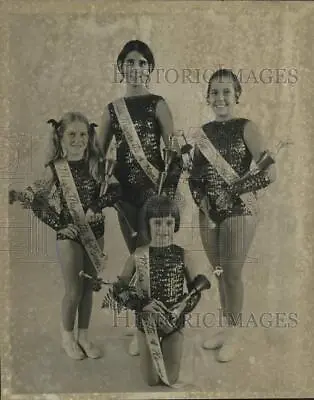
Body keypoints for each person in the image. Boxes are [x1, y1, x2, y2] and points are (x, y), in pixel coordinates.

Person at [10, 112, 121, 360]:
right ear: (60, 137)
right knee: (74, 291)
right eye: (71, 134)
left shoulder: (98, 164)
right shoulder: (55, 169)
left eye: (83, 134)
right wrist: (58, 225)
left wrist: (96, 206)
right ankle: (67, 337)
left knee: (88, 288)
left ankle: (84, 335)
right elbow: (34, 200)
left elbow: (116, 190)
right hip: (69, 236)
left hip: (96, 233)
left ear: (89, 136)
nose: (78, 139)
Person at [98, 40, 183, 355]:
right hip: (125, 195)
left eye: (142, 63)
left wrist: (167, 195)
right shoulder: (112, 109)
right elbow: (97, 154)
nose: (136, 68)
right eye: (130, 62)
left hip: (153, 192)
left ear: (150, 68)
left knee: (157, 258)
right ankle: (142, 327)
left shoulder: (158, 103)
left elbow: (173, 150)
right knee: (139, 258)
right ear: (121, 67)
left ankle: (163, 323)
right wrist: (102, 181)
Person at [188, 69, 277, 362]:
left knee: (233, 274)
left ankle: (235, 334)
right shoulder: (202, 133)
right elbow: (195, 177)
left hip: (240, 209)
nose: (220, 97)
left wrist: (233, 190)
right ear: (207, 97)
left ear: (237, 94)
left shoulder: (247, 127)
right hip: (209, 213)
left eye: (226, 91)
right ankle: (226, 328)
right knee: (220, 274)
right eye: (215, 91)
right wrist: (201, 201)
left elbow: (270, 173)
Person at [110, 195, 210, 386]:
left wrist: (181, 308)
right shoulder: (137, 256)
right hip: (146, 325)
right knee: (151, 381)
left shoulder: (184, 256)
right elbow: (118, 291)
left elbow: (195, 292)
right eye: (157, 223)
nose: (163, 229)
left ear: (176, 225)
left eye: (168, 223)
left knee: (170, 379)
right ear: (147, 224)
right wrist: (142, 304)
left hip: (173, 326)